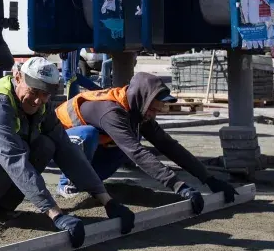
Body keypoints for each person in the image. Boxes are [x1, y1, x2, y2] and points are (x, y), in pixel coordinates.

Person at [0, 57, 135, 244]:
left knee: (46, 145)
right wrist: (55, 214)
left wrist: (107, 200)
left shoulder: (41, 105)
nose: (38, 100)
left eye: (45, 95)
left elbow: (67, 149)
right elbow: (12, 159)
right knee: (13, 153)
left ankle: (0, 208)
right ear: (18, 77)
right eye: (33, 92)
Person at [55, 72, 239, 211]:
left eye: (157, 110)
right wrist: (179, 186)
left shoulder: (137, 111)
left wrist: (208, 179)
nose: (153, 114)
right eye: (152, 108)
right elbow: (137, 153)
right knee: (91, 135)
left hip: (80, 151)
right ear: (141, 98)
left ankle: (87, 184)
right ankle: (68, 184)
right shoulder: (111, 112)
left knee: (127, 141)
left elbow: (169, 146)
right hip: (55, 147)